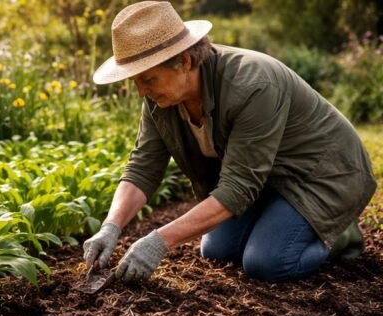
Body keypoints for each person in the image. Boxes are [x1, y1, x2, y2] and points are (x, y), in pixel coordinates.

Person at [83, 1, 376, 283]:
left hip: (323, 173)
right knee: (216, 251)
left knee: (266, 262)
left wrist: (158, 241)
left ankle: (336, 235)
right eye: (135, 82)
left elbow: (237, 189)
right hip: (268, 179)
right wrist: (110, 227)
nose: (141, 92)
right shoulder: (161, 100)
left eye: (148, 79)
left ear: (184, 62)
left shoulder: (252, 85)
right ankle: (284, 219)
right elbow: (142, 169)